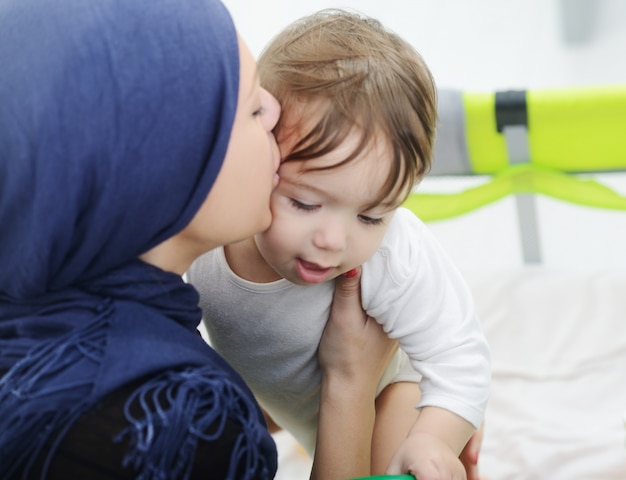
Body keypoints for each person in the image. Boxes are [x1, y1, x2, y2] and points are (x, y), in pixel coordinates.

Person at [0, 1, 395, 479]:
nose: (275, 109)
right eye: (252, 106)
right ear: (170, 161)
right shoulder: (179, 417)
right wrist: (349, 384)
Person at [188, 9, 491, 480]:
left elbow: (461, 357)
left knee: (400, 455)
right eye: (305, 203)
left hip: (392, 389)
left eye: (371, 215)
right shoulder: (209, 228)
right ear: (263, 150)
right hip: (290, 404)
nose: (333, 242)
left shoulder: (394, 254)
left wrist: (436, 436)